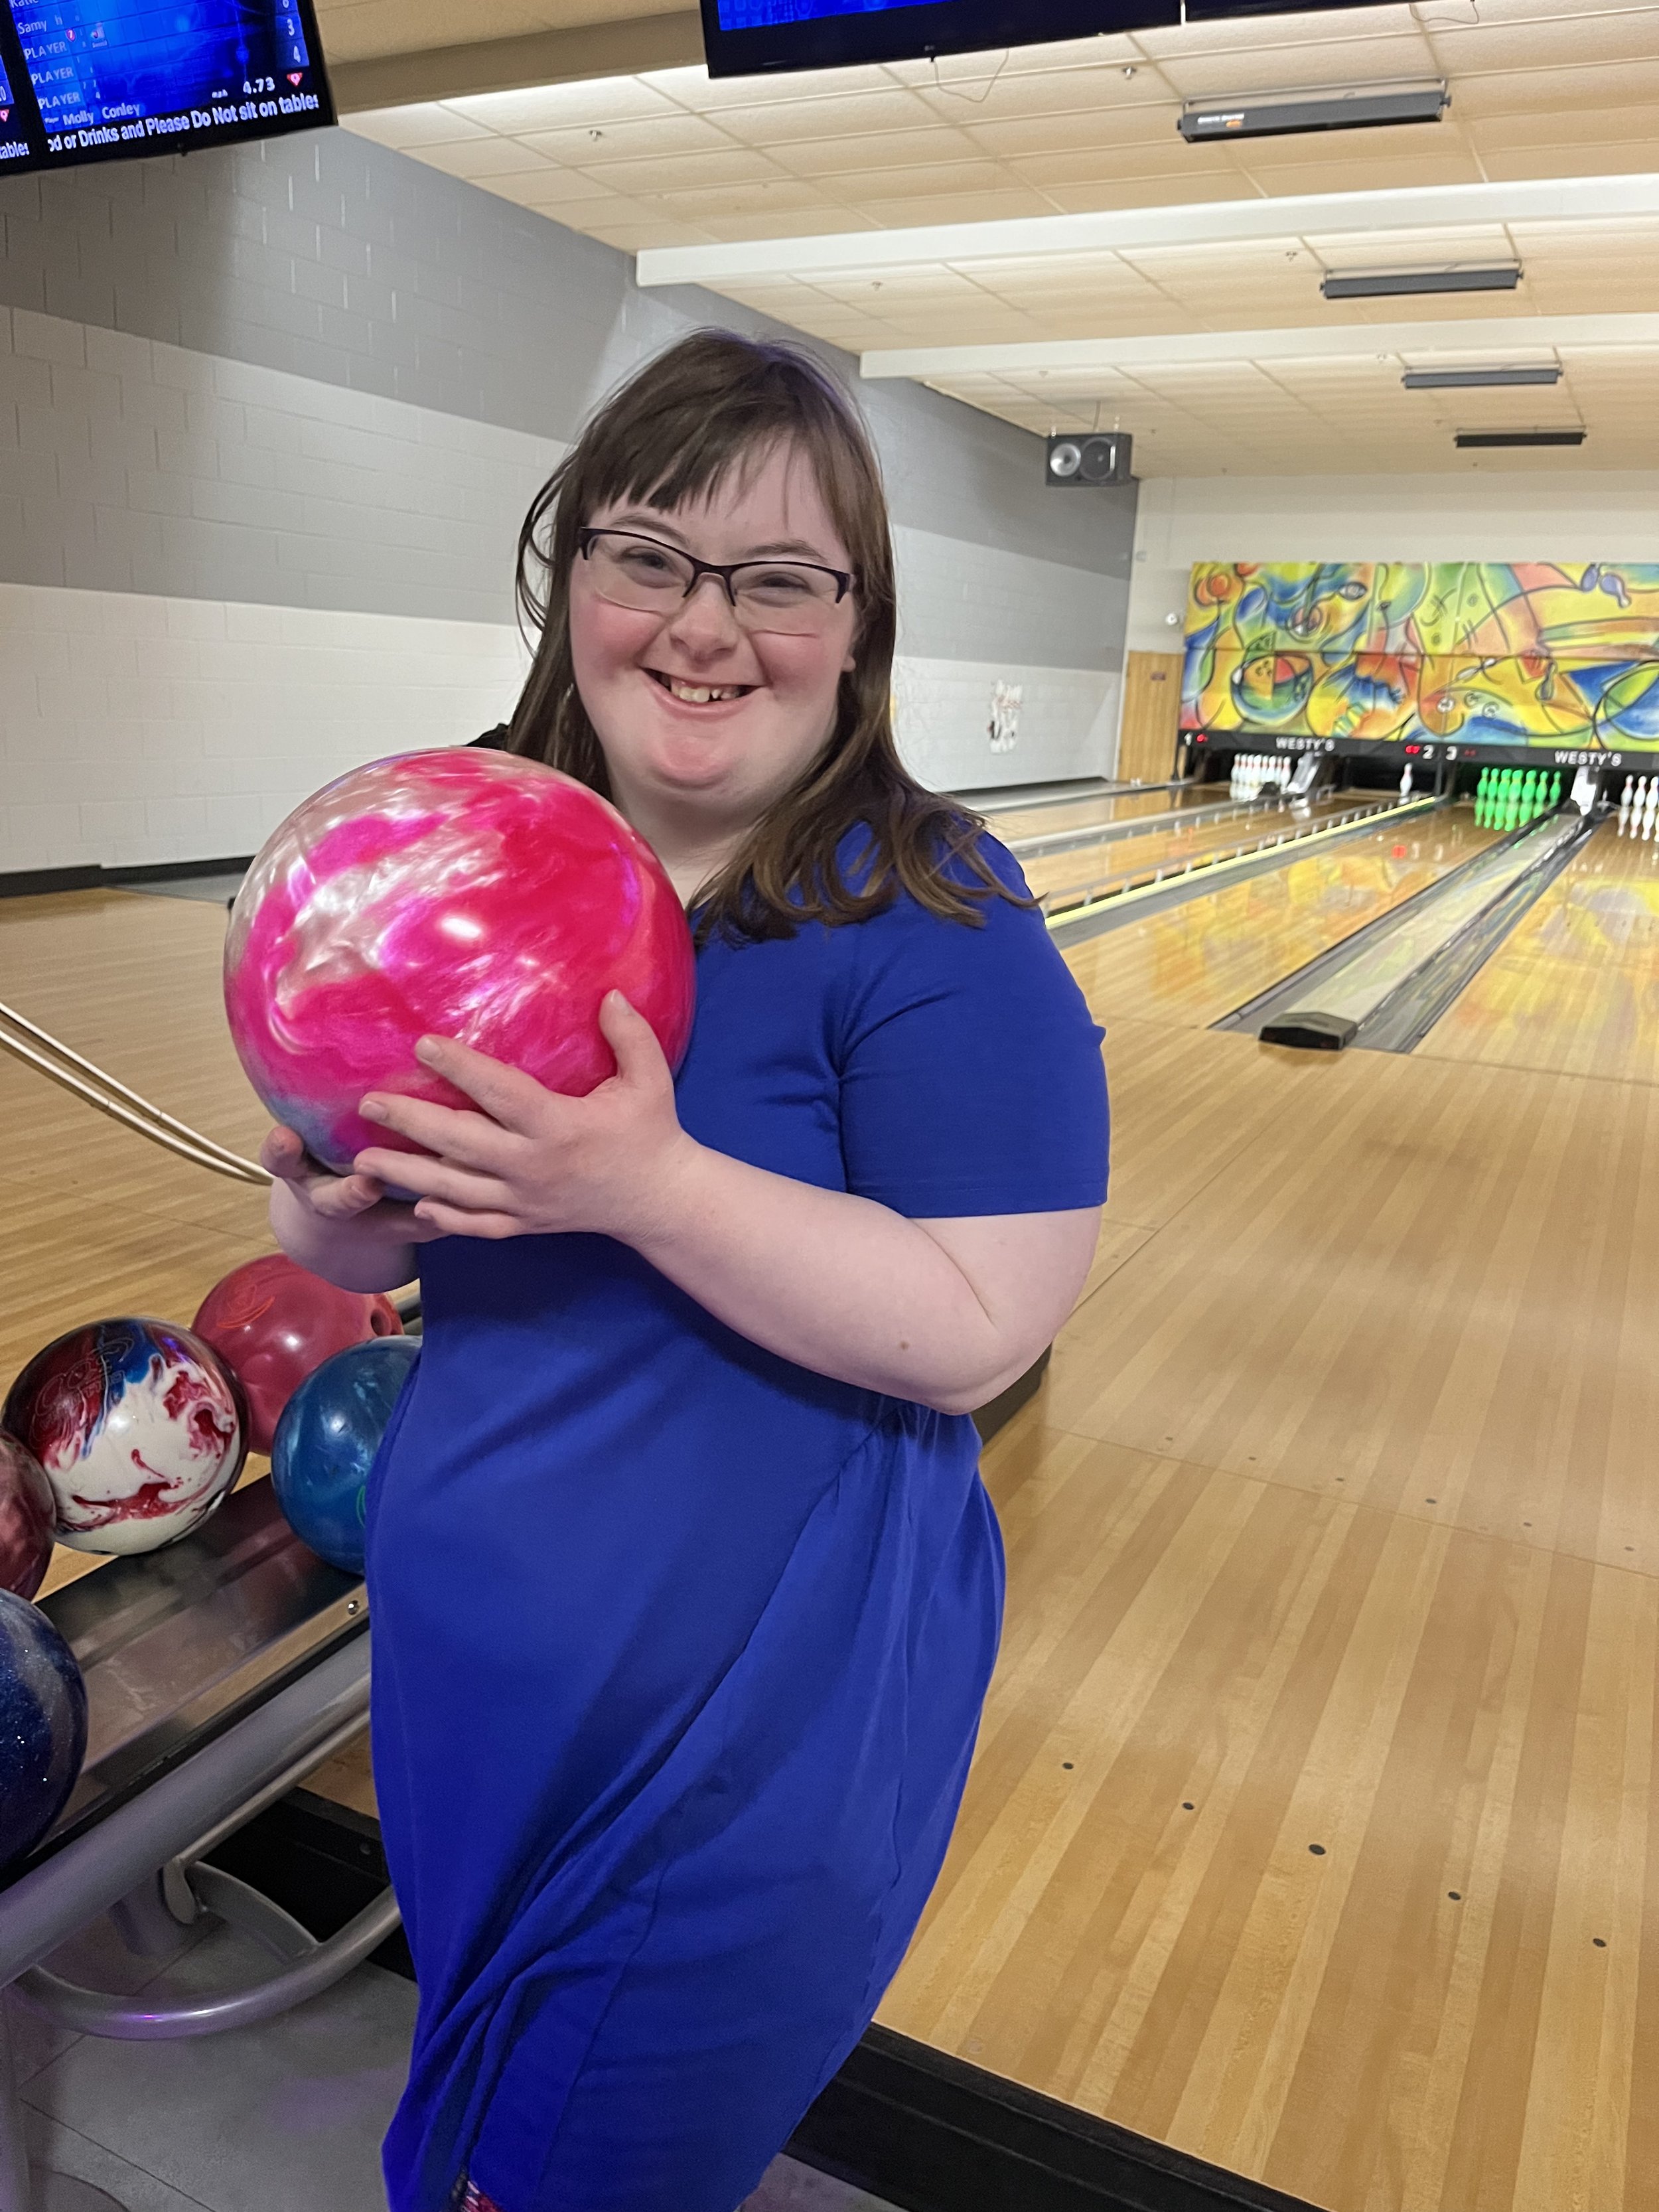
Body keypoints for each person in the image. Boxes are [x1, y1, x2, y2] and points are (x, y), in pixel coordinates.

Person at [263, 331, 1108, 2212]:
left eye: (779, 579)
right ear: (571, 573)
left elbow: (981, 1328)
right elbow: (352, 1225)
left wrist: (650, 1185)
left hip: (748, 1728)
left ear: (856, 624)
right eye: (648, 555)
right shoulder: (469, 849)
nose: (705, 625)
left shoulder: (931, 911)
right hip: (479, 1678)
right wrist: (330, 1209)